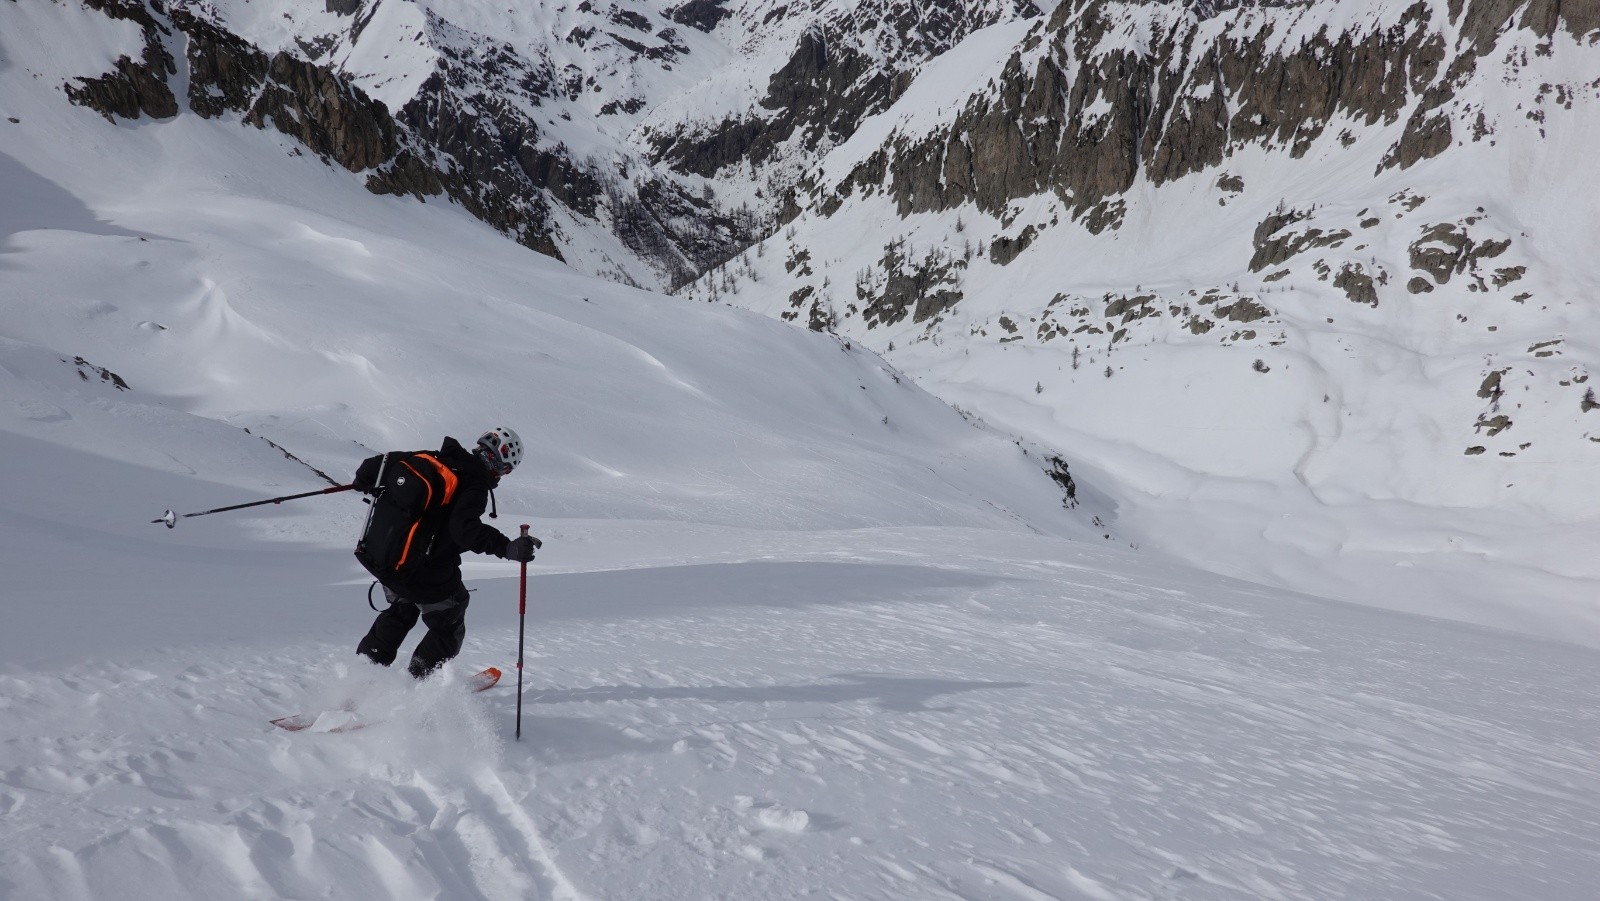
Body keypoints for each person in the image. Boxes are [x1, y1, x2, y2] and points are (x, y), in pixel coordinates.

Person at [352, 427, 540, 678]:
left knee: (401, 610)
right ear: (501, 466)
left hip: (385, 560)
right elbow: (464, 531)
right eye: (507, 470)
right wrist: (507, 547)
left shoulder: (434, 457)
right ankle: (414, 686)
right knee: (449, 624)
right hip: (422, 572)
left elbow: (373, 466)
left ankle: (361, 679)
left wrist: (362, 480)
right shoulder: (474, 484)